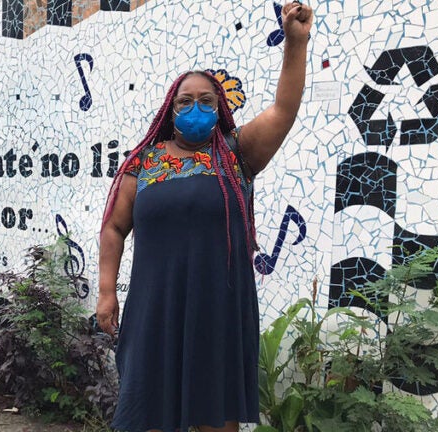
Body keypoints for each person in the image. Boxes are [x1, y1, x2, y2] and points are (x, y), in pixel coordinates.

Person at [96, 2, 313, 432]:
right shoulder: (144, 163)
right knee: (146, 415)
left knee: (216, 420)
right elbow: (114, 228)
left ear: (220, 107)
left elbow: (283, 110)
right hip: (155, 309)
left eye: (206, 100)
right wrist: (107, 292)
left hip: (218, 310)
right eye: (186, 101)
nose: (195, 107)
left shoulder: (237, 154)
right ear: (170, 109)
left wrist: (296, 43)